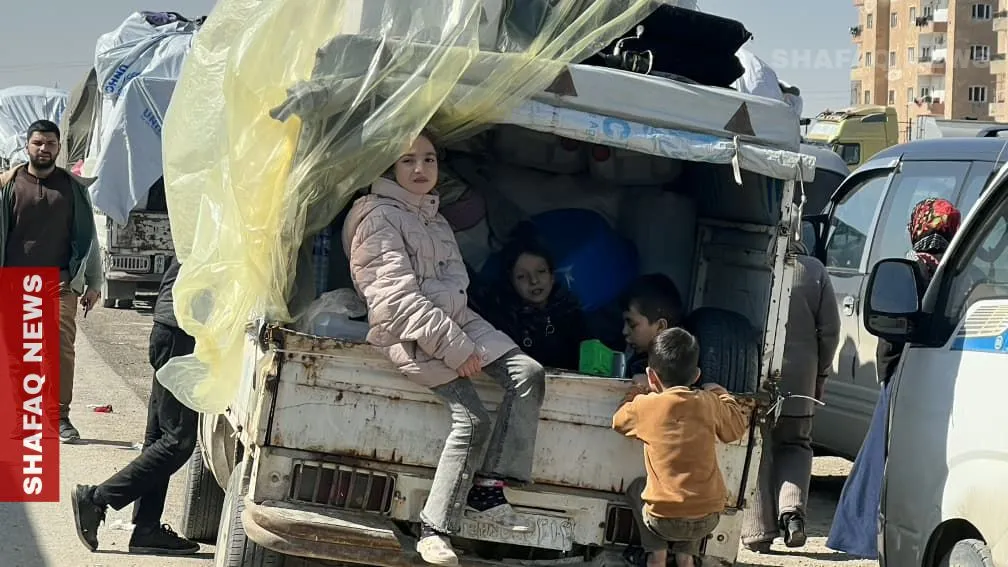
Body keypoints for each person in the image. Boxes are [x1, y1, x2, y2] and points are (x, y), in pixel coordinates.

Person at [342, 131, 546, 566]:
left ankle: (488, 491)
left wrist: (464, 332)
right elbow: (395, 303)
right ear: (387, 168)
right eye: (408, 160)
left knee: (527, 374)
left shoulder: (432, 215)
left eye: (429, 160)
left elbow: (455, 285)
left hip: (454, 319)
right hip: (408, 333)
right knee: (473, 421)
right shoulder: (376, 216)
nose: (420, 170)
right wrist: (457, 348)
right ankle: (435, 530)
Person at [827, 197, 962, 558]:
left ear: (918, 228)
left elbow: (889, 335)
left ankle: (863, 537)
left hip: (906, 379)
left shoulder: (908, 270)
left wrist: (889, 377)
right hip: (953, 379)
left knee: (882, 460)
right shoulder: (962, 270)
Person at [70, 258, 201, 556]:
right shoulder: (224, 223)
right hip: (182, 330)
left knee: (159, 438)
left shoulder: (202, 218)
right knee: (177, 440)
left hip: (171, 327)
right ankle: (96, 498)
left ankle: (146, 528)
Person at [0, 119, 103, 443]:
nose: (44, 149)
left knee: (59, 350)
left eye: (50, 144)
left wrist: (94, 282)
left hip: (59, 282)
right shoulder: (9, 186)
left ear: (59, 148)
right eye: (38, 143)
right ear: (28, 146)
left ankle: (59, 417)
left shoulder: (72, 188)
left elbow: (89, 239)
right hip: (16, 282)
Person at [613, 328, 749, 567]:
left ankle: (656, 554)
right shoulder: (709, 403)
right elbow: (736, 428)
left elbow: (619, 421)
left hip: (663, 522)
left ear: (651, 376)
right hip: (707, 518)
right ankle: (686, 557)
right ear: (696, 375)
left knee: (637, 489)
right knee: (696, 496)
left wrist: (636, 390)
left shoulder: (647, 406)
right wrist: (721, 394)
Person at [742, 239, 841, 552]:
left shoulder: (752, 264)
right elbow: (830, 331)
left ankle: (759, 531)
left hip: (754, 372)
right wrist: (820, 374)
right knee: (795, 445)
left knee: (756, 446)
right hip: (800, 378)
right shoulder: (814, 270)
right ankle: (791, 511)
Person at [482, 236, 588, 370]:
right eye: (522, 276)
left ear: (552, 276)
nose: (534, 281)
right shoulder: (504, 322)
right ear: (511, 282)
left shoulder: (571, 313)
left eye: (541, 271)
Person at [622, 273, 685, 380]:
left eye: (632, 324)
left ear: (660, 327)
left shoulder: (676, 375)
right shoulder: (637, 358)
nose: (624, 331)